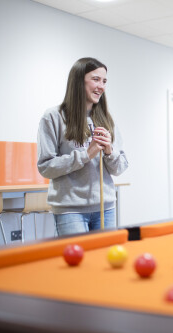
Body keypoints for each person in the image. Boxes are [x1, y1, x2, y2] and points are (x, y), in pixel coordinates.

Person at [37, 57, 128, 235]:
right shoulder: (53, 117)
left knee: (104, 261)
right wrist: (86, 154)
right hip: (70, 211)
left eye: (104, 81)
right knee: (80, 262)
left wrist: (109, 151)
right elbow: (46, 167)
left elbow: (121, 167)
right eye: (96, 79)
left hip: (105, 208)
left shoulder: (107, 119)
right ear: (79, 81)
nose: (101, 86)